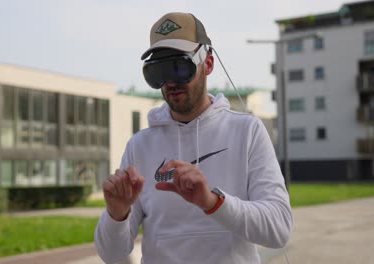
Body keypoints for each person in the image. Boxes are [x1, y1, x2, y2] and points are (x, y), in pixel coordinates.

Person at [94, 12, 292, 264]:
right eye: (159, 71)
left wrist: (211, 201)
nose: (170, 81)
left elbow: (280, 229)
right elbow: (111, 255)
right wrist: (116, 214)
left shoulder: (247, 131)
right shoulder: (139, 146)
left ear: (207, 63)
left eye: (179, 66)